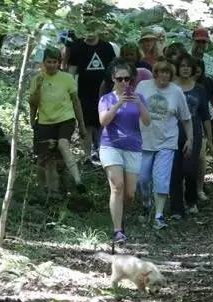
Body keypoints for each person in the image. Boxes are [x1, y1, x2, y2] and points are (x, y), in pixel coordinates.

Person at [98, 59, 151, 243]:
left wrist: (139, 104)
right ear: (113, 78)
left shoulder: (139, 98)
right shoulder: (106, 99)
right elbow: (103, 121)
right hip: (110, 145)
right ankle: (117, 230)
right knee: (117, 185)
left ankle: (120, 217)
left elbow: (147, 121)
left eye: (127, 79)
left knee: (130, 193)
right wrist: (118, 103)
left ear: (131, 80)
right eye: (119, 79)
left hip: (133, 147)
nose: (123, 82)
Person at [135, 60, 192, 230]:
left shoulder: (176, 91)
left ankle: (159, 215)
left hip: (167, 141)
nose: (164, 76)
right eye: (161, 72)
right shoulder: (143, 86)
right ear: (156, 73)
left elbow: (186, 118)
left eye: (168, 73)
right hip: (144, 140)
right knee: (142, 179)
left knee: (161, 179)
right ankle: (147, 203)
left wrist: (190, 139)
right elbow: (132, 109)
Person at [29, 47, 87, 199]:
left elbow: (76, 102)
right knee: (46, 159)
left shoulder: (67, 78)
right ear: (43, 62)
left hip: (65, 119)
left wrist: (81, 125)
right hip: (44, 121)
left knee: (63, 144)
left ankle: (78, 180)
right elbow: (33, 103)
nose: (51, 65)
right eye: (49, 62)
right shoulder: (37, 79)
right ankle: (49, 192)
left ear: (59, 63)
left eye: (55, 62)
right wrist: (32, 120)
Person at [63, 22, 116, 165]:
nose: (90, 32)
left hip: (105, 92)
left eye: (93, 28)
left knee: (101, 123)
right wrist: (69, 90)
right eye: (87, 28)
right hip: (84, 92)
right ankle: (87, 156)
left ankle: (101, 153)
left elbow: (114, 69)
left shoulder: (106, 47)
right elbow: (72, 71)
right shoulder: (77, 46)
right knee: (86, 123)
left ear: (99, 29)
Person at [169, 53, 212, 219]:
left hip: (194, 132)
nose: (186, 69)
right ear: (177, 68)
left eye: (189, 66)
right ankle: (176, 208)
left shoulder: (199, 89)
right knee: (175, 171)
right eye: (182, 66)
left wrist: (210, 138)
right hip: (171, 132)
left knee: (190, 169)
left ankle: (191, 201)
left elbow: (206, 115)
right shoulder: (170, 87)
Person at [194, 58, 213, 201]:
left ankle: (199, 188)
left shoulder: (208, 82)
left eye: (199, 67)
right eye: (194, 67)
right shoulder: (181, 83)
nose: (197, 70)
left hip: (205, 121)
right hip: (186, 123)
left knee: (200, 158)